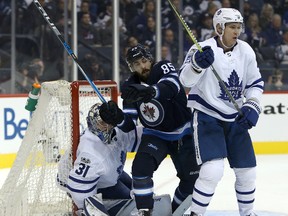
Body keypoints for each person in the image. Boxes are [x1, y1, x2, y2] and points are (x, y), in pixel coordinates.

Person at [179, 8, 264, 216]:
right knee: (212, 171)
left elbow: (255, 83)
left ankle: (247, 212)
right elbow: (185, 81)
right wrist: (197, 65)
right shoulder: (201, 49)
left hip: (235, 118)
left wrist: (252, 105)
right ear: (219, 28)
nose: (237, 31)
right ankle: (196, 213)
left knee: (247, 171)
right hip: (208, 116)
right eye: (232, 27)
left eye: (239, 27)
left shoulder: (246, 50)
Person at [101, 44, 200, 216]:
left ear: (150, 59)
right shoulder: (130, 86)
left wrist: (150, 91)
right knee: (140, 169)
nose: (142, 66)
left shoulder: (163, 67)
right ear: (131, 68)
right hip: (156, 135)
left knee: (192, 180)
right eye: (136, 64)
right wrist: (117, 118)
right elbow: (130, 124)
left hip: (183, 133)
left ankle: (173, 211)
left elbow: (171, 87)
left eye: (144, 61)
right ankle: (144, 211)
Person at [57, 102, 143, 216]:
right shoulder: (90, 153)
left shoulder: (117, 131)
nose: (107, 127)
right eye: (102, 123)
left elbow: (136, 137)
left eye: (109, 122)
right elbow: (78, 187)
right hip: (79, 181)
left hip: (106, 175)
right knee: (130, 204)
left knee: (137, 193)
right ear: (92, 123)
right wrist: (90, 210)